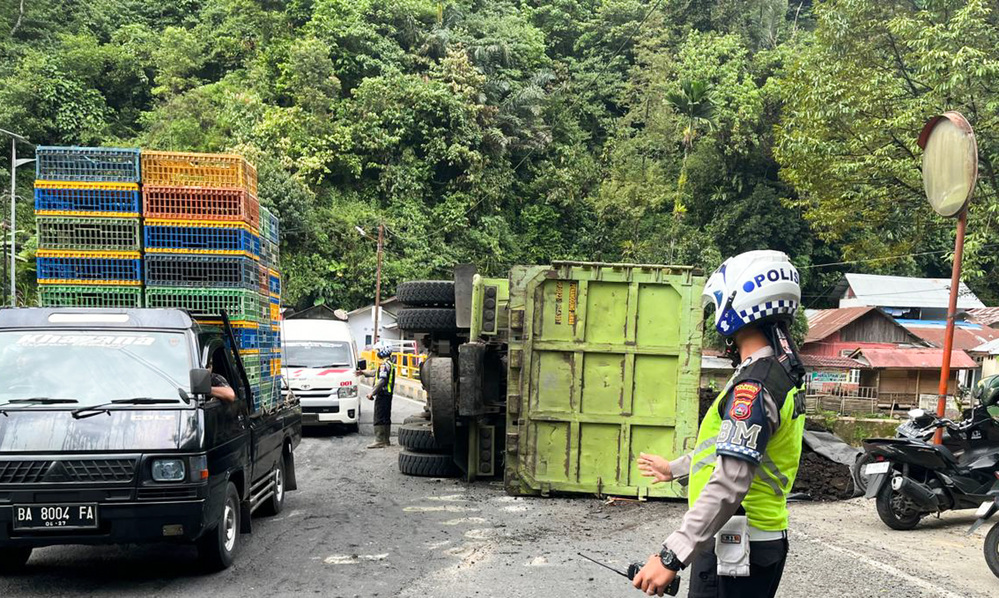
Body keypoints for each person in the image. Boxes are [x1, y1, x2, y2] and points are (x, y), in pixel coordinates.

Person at [633, 250, 807, 598]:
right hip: (754, 539)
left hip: (738, 545)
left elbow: (731, 480)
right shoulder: (778, 374)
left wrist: (671, 556)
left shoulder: (753, 387)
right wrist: (675, 468)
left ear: (736, 304)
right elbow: (730, 448)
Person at [366, 343, 396, 449]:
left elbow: (381, 380)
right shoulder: (389, 363)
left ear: (383, 351)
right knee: (385, 417)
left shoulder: (384, 365)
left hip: (382, 394)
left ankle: (379, 440)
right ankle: (386, 440)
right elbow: (376, 372)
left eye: (379, 350)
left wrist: (372, 393)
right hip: (388, 395)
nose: (377, 353)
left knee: (379, 417)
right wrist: (363, 372)